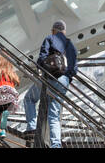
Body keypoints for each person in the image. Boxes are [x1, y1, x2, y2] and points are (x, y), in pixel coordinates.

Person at [23, 20, 77, 148]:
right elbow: (74, 69)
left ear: (53, 30)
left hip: (50, 79)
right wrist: (66, 79)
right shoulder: (70, 44)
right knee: (54, 115)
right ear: (64, 31)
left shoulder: (50, 38)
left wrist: (44, 71)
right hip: (63, 82)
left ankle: (31, 128)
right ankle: (56, 145)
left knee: (29, 98)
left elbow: (41, 59)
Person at [0, 54, 20, 138]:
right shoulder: (11, 72)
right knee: (4, 112)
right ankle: (3, 130)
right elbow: (16, 83)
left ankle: (1, 129)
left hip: (2, 95)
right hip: (11, 96)